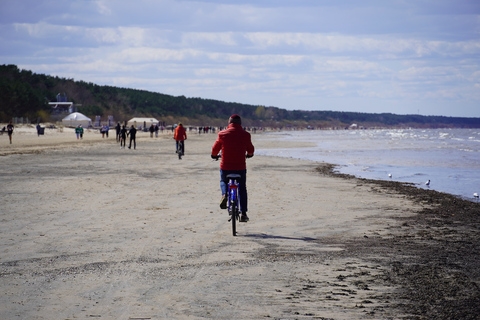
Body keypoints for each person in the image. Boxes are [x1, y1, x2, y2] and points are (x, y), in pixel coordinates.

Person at [211, 114, 254, 222]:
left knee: (223, 181)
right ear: (240, 123)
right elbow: (251, 149)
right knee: (242, 188)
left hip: (226, 167)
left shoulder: (222, 134)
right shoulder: (245, 135)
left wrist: (214, 155)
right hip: (240, 167)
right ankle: (244, 213)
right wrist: (249, 154)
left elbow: (215, 149)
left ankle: (225, 194)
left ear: (229, 123)